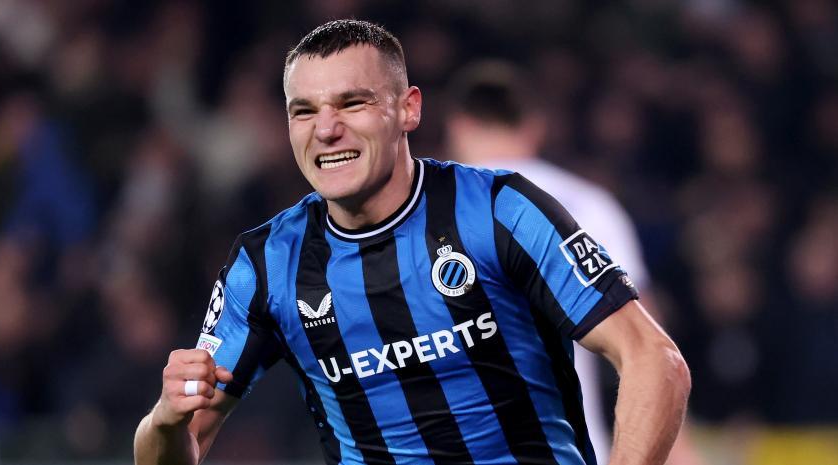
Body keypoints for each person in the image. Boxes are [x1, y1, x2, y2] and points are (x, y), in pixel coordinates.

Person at [134, 20, 690, 465]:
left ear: (409, 109)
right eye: (304, 111)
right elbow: (179, 447)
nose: (326, 129)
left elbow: (655, 359)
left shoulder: (499, 211)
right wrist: (164, 422)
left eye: (352, 103)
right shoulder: (266, 264)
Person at [443, 60, 701, 465]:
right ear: (534, 127)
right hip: (569, 449)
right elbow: (645, 343)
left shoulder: (427, 213)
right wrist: (679, 449)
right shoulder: (588, 204)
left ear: (458, 126)